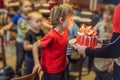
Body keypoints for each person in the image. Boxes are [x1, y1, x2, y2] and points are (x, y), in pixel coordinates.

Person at [72, 3, 120, 80]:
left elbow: (114, 49)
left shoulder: (118, 10)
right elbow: (117, 44)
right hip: (101, 60)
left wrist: (86, 51)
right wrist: (103, 42)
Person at [32, 4, 74, 80]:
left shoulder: (65, 31)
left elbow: (60, 47)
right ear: (61, 20)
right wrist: (37, 63)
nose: (73, 22)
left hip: (61, 66)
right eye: (71, 19)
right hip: (51, 71)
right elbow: (35, 46)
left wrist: (64, 57)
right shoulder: (51, 36)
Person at [0, 0, 33, 76]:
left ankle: (27, 74)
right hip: (20, 42)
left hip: (29, 43)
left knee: (28, 60)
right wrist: (3, 29)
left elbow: (41, 23)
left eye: (30, 6)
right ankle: (18, 73)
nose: (29, 8)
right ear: (21, 7)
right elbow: (9, 25)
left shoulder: (32, 16)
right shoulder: (17, 17)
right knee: (19, 59)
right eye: (26, 6)